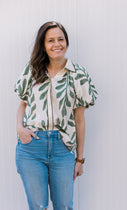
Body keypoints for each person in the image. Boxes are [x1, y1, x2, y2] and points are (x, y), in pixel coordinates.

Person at [14, 21, 98, 210]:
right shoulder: (32, 70)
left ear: (66, 42)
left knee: (64, 206)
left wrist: (79, 159)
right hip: (31, 148)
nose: (56, 44)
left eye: (60, 39)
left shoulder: (78, 74)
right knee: (38, 206)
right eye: (50, 40)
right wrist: (20, 128)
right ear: (43, 45)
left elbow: (79, 120)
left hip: (63, 147)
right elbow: (23, 104)